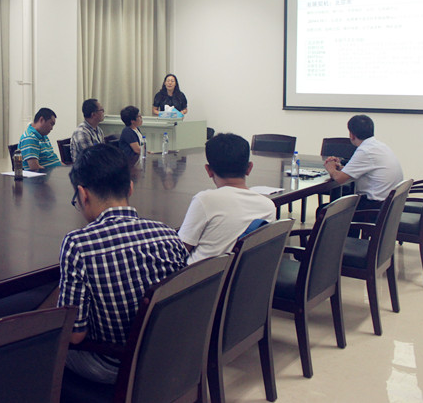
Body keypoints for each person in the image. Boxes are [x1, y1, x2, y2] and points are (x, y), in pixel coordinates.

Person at [57, 144, 188, 384]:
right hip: (168, 357)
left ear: (83, 195)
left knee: (43, 352)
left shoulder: (78, 244)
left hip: (114, 365)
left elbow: (74, 335)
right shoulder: (168, 234)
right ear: (130, 187)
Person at [177, 133, 277, 263]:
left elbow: (181, 249)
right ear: (249, 168)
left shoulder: (205, 200)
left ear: (208, 170)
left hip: (198, 274)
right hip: (240, 274)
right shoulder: (268, 206)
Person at [324, 115, 403, 213]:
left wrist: (330, 168)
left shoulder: (365, 151)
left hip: (375, 207)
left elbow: (340, 179)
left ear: (351, 135)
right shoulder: (379, 146)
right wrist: (339, 168)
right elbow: (359, 171)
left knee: (324, 210)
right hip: (389, 205)